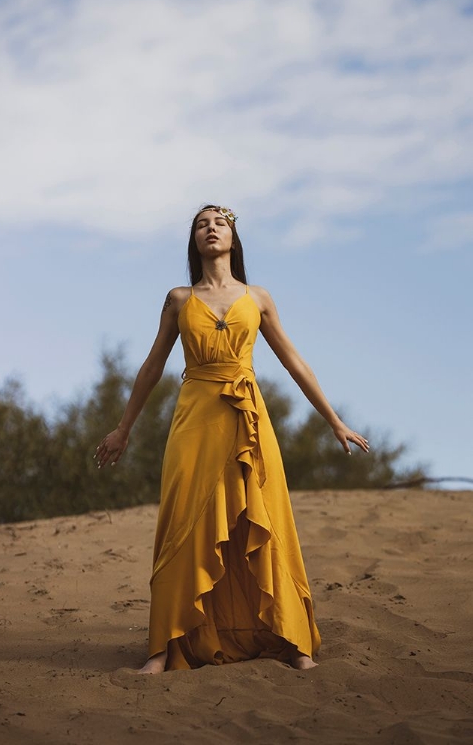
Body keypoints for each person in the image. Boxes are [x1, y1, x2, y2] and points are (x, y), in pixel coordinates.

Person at [95, 204, 370, 674]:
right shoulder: (179, 299)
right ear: (194, 242)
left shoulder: (257, 296)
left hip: (248, 420)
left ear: (233, 239)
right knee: (182, 521)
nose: (210, 229)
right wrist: (124, 427)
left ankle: (294, 641)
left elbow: (294, 362)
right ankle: (162, 651)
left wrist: (334, 420)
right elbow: (152, 366)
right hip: (195, 418)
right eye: (201, 225)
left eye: (219, 223)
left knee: (265, 516)